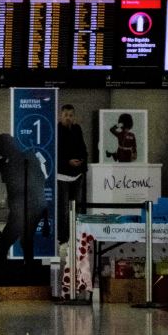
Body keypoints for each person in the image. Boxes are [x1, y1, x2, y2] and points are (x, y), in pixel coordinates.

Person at [0, 133, 47, 266]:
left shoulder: (9, 166)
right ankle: (30, 272)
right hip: (38, 206)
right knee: (27, 241)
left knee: (3, 245)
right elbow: (41, 179)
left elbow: (14, 189)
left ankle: (4, 277)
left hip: (22, 209)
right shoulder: (30, 157)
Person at [56, 104, 89, 243]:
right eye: (66, 115)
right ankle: (63, 237)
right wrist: (67, 162)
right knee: (63, 209)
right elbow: (56, 152)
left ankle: (76, 235)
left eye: (71, 115)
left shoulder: (77, 129)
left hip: (77, 173)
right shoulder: (57, 130)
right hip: (62, 174)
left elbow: (82, 147)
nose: (68, 118)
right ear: (61, 116)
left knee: (78, 207)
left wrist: (82, 161)